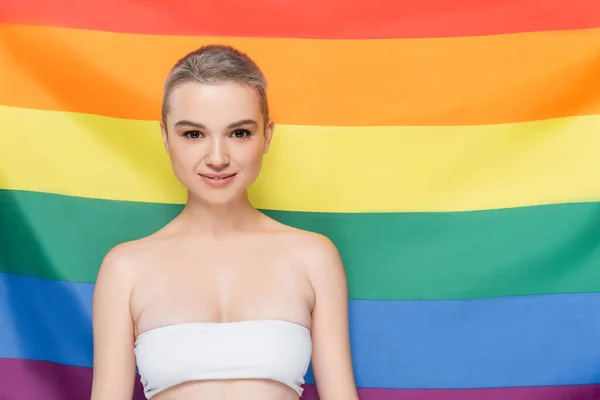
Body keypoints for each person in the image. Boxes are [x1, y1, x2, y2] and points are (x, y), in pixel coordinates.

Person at [90, 44, 359, 400]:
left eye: (239, 133)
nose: (217, 158)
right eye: (194, 134)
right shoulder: (125, 269)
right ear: (165, 137)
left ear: (267, 135)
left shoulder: (313, 257)